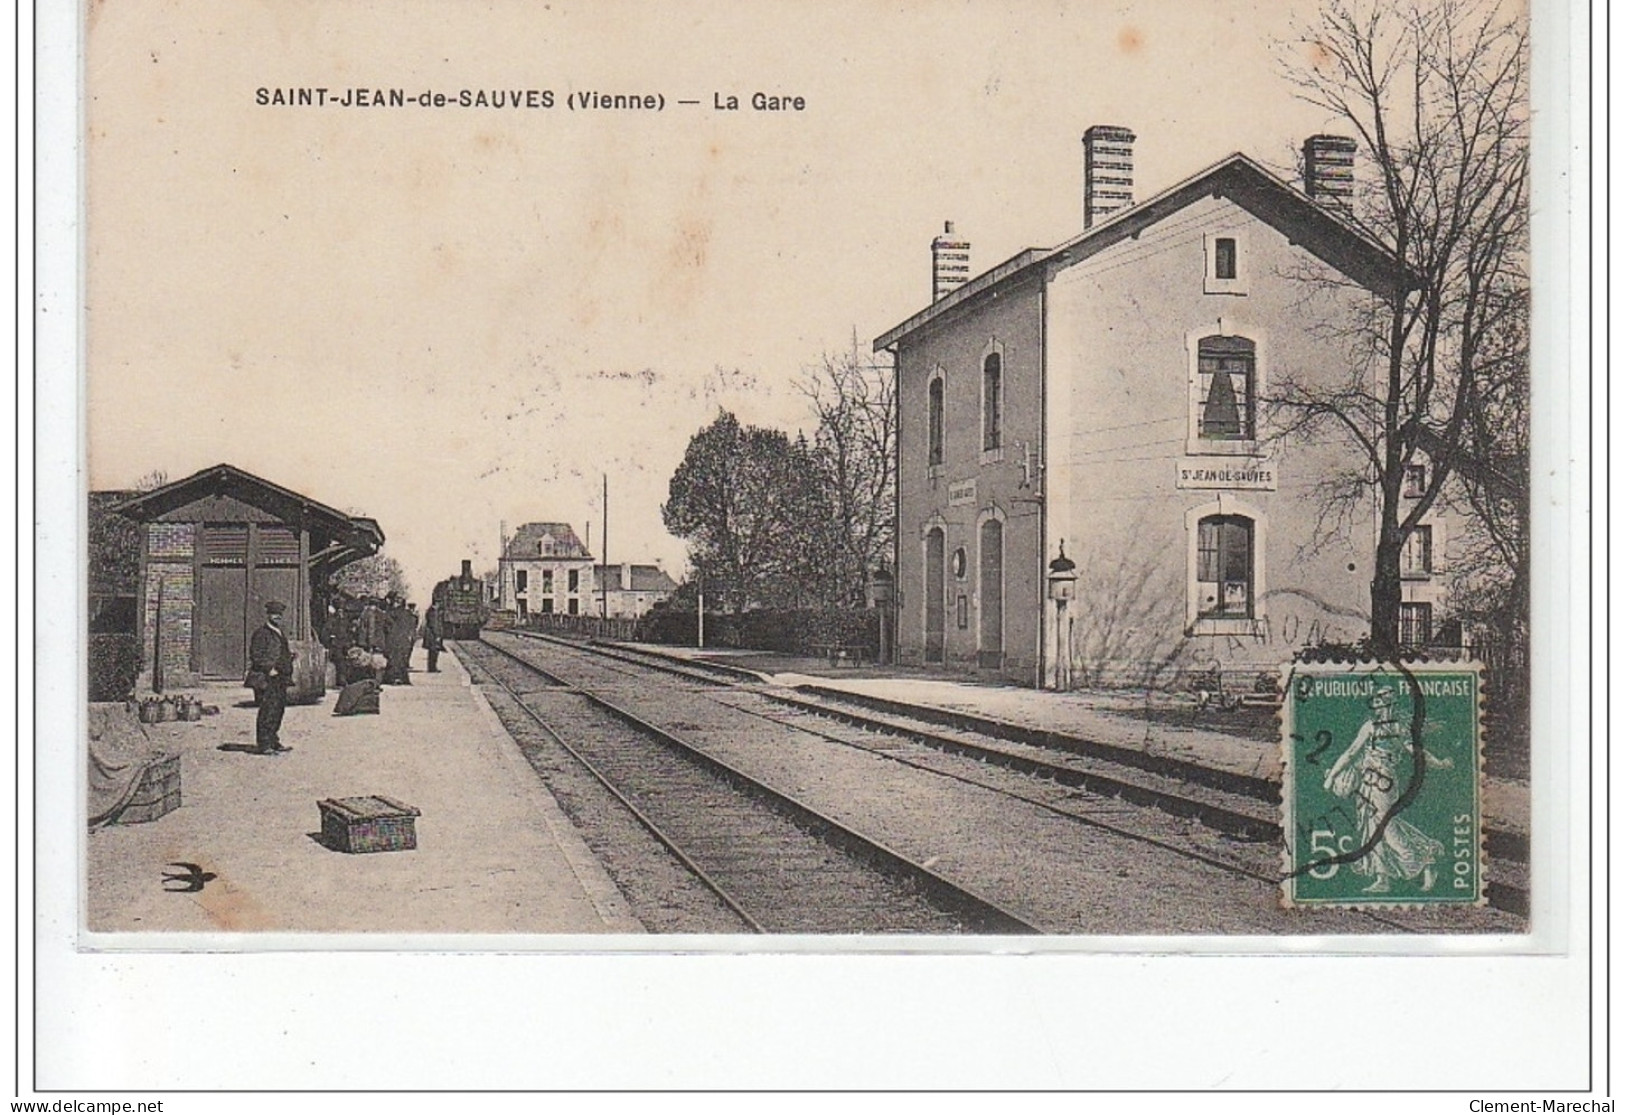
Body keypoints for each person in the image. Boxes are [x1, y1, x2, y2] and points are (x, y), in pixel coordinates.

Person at [1322, 686, 1452, 893]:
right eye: (1380, 701)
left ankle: (1428, 859)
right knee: (1371, 828)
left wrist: (1439, 763)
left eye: (1386, 701)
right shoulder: (1370, 726)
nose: (1382, 705)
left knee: (1387, 827)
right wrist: (1332, 777)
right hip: (1366, 782)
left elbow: (1417, 752)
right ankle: (1382, 878)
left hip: (1385, 783)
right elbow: (1350, 753)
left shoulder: (1399, 728)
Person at [245, 600, 295, 755]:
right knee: (267, 711)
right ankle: (264, 744)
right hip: (267, 678)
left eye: (279, 614)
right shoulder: (261, 633)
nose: (277, 617)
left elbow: (280, 652)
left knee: (278, 710)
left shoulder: (279, 632)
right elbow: (256, 656)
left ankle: (274, 741)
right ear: (268, 615)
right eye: (274, 614)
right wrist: (269, 669)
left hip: (280, 677)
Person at [383, 594, 417, 685]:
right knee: (402, 660)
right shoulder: (408, 614)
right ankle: (403, 678)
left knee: (393, 660)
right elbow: (412, 625)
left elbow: (386, 625)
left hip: (393, 639)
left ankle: (393, 678)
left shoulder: (391, 613)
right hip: (404, 640)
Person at [422, 604, 445, 673]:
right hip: (433, 636)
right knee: (434, 652)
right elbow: (434, 624)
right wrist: (437, 635)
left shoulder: (432, 611)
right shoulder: (433, 612)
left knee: (433, 652)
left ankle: (432, 667)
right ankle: (432, 668)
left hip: (432, 635)